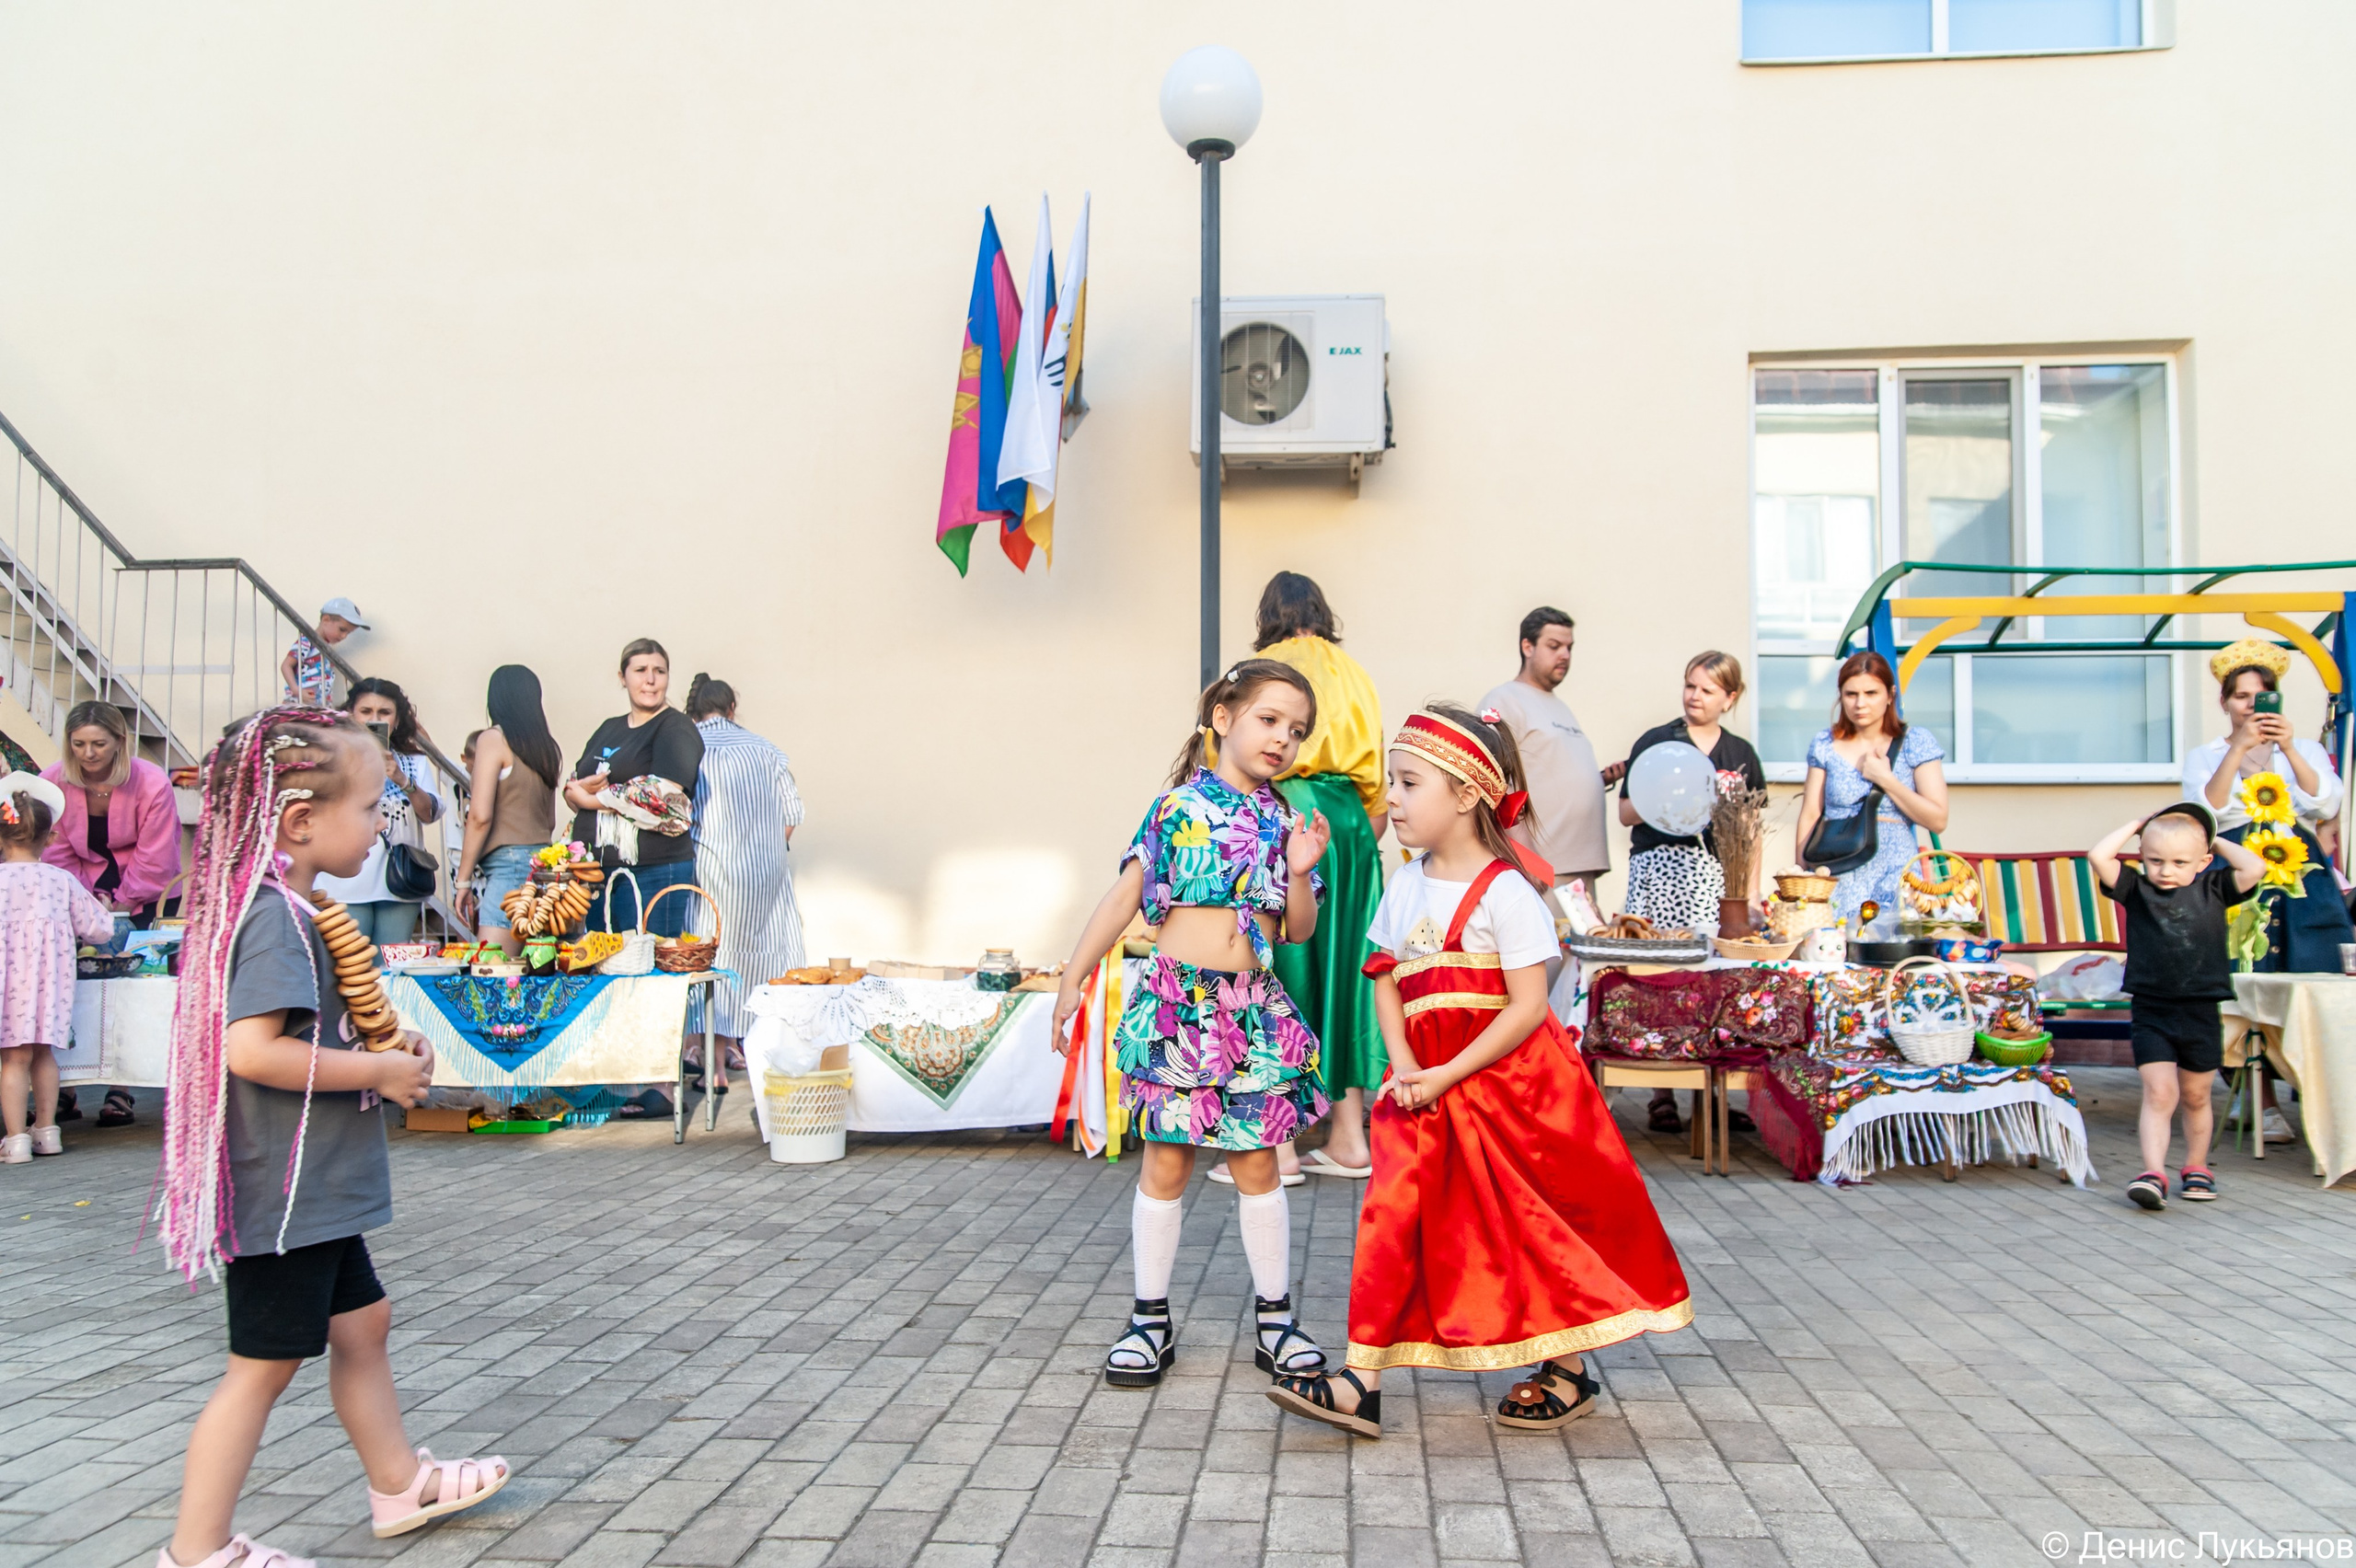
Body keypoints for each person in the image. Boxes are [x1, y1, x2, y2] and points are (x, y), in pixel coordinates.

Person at [1264, 707, 1692, 1440]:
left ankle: (1567, 1367)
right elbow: (1384, 979)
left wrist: (1446, 1073)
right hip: (1422, 1090)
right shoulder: (1404, 884)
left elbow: (1526, 1008)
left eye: (1409, 783)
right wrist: (1405, 1066)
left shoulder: (1507, 892)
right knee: (1392, 1218)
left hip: (1511, 1089)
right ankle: (1360, 1382)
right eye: (1392, 782)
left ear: (1466, 794)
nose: (1391, 799)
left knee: (1530, 1224)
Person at [154, 709, 509, 1567]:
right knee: (261, 1367)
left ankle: (399, 1483)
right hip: (286, 1196)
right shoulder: (274, 918)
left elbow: (315, 1031)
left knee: (363, 1323)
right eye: (370, 808)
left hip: (311, 1191)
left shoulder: (294, 909)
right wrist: (376, 1073)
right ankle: (197, 1550)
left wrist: (387, 1046)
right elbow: (253, 1050)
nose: (380, 826)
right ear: (301, 821)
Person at [1053, 660, 1334, 1391]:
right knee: (1167, 1163)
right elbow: (1125, 897)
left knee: (1258, 1164)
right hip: (1179, 1008)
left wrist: (1298, 870)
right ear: (1224, 718)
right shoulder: (1176, 808)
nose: (1283, 739)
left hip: (1253, 1011)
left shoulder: (1286, 822)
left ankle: (1276, 1319)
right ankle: (1149, 1319)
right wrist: (1073, 976)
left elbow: (1300, 930)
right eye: (1269, 720)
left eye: (1297, 730)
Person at [1248, 572, 1386, 1182]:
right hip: (1352, 823)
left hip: (1286, 810)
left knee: (1283, 966)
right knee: (1347, 973)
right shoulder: (1354, 673)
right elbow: (1377, 787)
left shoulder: (1263, 672)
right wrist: (1352, 839)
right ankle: (1350, 1139)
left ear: (1269, 615)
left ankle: (1279, 1145)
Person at [1618, 653, 1767, 1135]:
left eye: (1707, 690)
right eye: (1690, 686)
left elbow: (1752, 830)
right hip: (1658, 872)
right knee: (1659, 979)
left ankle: (1713, 1091)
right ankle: (1661, 1093)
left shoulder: (1740, 753)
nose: (1694, 696)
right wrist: (1670, 794)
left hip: (1714, 881)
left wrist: (1751, 892)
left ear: (1730, 697)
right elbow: (1625, 812)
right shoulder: (1658, 742)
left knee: (1711, 982)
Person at [2090, 803, 2265, 1211]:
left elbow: (2255, 868)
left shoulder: (2216, 888)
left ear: (2203, 862)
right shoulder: (2136, 889)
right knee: (2159, 1092)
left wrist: (2213, 840)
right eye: (2155, 861)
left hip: (2200, 1011)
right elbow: (2098, 856)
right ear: (2142, 858)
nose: (2166, 870)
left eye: (2180, 862)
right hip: (2152, 1011)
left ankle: (2197, 1167)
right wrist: (2138, 824)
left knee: (2197, 1096)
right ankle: (2153, 1172)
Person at [2187, 640, 2351, 974]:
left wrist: (2288, 748)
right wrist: (2238, 748)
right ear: (2224, 702)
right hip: (2229, 865)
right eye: (2241, 696)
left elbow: (2326, 804)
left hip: (2300, 868)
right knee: (2233, 956)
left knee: (2309, 957)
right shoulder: (2204, 755)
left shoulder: (2305, 749)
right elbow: (2208, 813)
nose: (2251, 705)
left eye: (2262, 695)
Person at [684, 674, 806, 1075]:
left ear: (696, 709)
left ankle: (711, 1064)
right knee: (762, 958)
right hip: (764, 874)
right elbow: (792, 815)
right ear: (732, 708)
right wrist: (764, 853)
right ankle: (756, 1051)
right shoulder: (766, 750)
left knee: (710, 958)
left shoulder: (690, 746)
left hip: (710, 870)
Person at [0, 773, 117, 1163]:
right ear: (50, 838)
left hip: (7, 990)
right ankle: (48, 1132)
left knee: (13, 1059)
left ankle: (16, 1139)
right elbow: (100, 929)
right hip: (51, 989)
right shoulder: (61, 881)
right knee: (44, 1055)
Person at [1791, 651, 1949, 927]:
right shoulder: (1825, 743)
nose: (1860, 703)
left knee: (1892, 946)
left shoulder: (1915, 742)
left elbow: (1938, 819)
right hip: (1836, 873)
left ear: (1890, 695)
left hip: (1894, 874)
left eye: (1871, 693)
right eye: (1851, 694)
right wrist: (1802, 881)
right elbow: (1811, 814)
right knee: (1831, 949)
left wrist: (1886, 780)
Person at [565, 639, 705, 940]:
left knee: (644, 962)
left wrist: (591, 799)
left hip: (653, 870)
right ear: (622, 677)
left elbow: (662, 795)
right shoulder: (608, 728)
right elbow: (576, 783)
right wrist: (575, 791)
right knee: (602, 963)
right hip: (597, 874)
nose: (650, 679)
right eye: (640, 670)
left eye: (659, 671)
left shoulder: (676, 727)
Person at [1483, 607, 1611, 903]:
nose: (1564, 655)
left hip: (1580, 866)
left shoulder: (1559, 705)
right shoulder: (1504, 699)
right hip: (1543, 869)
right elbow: (1493, 783)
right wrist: (1527, 858)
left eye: (1569, 647)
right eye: (1554, 646)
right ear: (1527, 646)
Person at [314, 679, 444, 945]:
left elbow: (429, 814)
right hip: (344, 881)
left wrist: (402, 780)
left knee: (391, 964)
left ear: (397, 720)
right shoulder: (330, 758)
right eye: (366, 711)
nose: (375, 719)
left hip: (399, 880)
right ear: (351, 715)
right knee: (351, 965)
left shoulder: (413, 761)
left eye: (384, 712)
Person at [453, 667, 564, 959]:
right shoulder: (547, 747)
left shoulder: (493, 739)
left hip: (509, 867)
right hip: (544, 867)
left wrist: (463, 881)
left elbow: (480, 817)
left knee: (493, 968)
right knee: (532, 970)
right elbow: (550, 821)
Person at [41, 699, 183, 925]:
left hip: (149, 893)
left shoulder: (154, 784)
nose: (88, 753)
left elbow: (156, 856)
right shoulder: (50, 783)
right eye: (78, 744)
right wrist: (87, 904)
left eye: (99, 744)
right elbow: (56, 852)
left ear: (120, 741)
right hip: (80, 893)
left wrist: (120, 909)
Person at [280, 596, 367, 708]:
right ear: (326, 620)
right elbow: (286, 665)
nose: (344, 636)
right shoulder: (306, 641)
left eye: (348, 633)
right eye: (342, 630)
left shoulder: (327, 649)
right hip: (298, 704)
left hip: (319, 706)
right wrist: (296, 689)